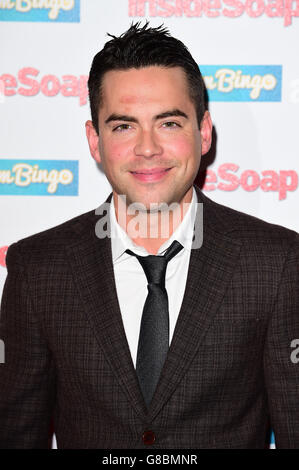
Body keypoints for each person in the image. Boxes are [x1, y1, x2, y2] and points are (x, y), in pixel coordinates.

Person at [0, 22, 298, 450]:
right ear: (95, 140)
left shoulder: (276, 262)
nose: (147, 148)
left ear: (204, 131)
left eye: (169, 123)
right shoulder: (38, 269)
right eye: (123, 126)